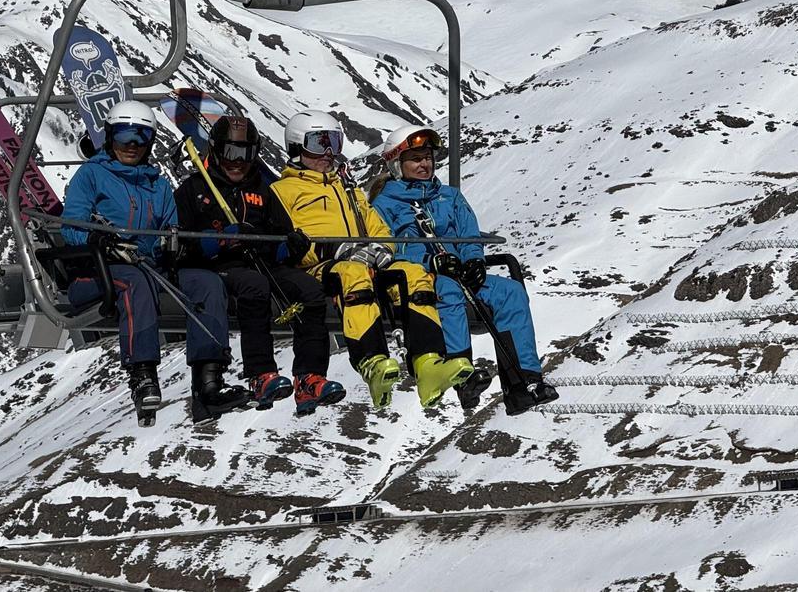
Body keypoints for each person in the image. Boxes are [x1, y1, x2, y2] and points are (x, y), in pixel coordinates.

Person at [60, 100, 251, 424]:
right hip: (98, 272)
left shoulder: (157, 184)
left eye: (141, 137)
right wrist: (98, 240)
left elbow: (169, 226)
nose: (132, 145)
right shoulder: (92, 175)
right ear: (110, 137)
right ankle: (143, 374)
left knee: (207, 283)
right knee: (135, 283)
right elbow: (71, 224)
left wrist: (173, 244)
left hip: (150, 265)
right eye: (124, 136)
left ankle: (208, 385)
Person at [270, 110, 474, 409]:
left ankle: (428, 362)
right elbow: (289, 241)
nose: (328, 152)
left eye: (334, 142)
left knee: (413, 274)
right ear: (297, 146)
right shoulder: (283, 191)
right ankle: (372, 361)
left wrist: (383, 248)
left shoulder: (347, 188)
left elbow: (375, 224)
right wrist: (334, 251)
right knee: (353, 275)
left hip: (366, 260)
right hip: (320, 267)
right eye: (319, 143)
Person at [371, 124, 558, 416]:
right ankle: (462, 373)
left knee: (510, 292)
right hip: (422, 277)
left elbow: (468, 234)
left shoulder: (448, 197)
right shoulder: (385, 205)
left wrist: (474, 260)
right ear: (397, 164)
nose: (424, 164)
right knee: (447, 289)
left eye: (428, 158)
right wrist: (429, 262)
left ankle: (524, 382)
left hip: (458, 270)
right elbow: (387, 245)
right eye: (416, 159)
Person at [175, 115, 346, 416]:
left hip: (259, 261)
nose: (238, 162)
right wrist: (218, 241)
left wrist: (289, 246)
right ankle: (260, 373)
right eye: (231, 153)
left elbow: (279, 235)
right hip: (216, 265)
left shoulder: (262, 189)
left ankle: (309, 376)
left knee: (309, 289)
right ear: (215, 151)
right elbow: (179, 246)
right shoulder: (195, 189)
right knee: (255, 286)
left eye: (247, 154)